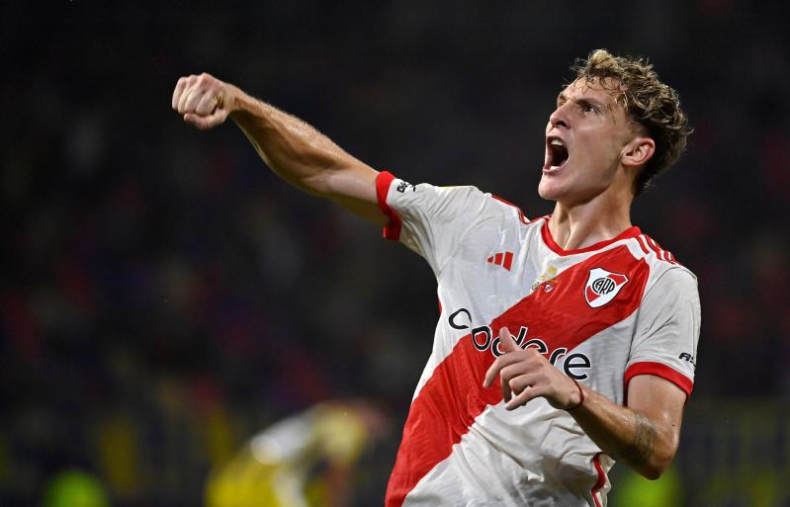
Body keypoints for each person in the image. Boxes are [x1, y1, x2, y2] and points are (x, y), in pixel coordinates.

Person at [172, 49, 700, 507]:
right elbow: (326, 169)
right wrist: (243, 105)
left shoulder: (659, 282)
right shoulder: (473, 221)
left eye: (588, 109)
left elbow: (657, 447)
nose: (558, 115)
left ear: (635, 151)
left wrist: (574, 394)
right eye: (561, 102)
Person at [204, 400, 389, 507]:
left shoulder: (325, 413)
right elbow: (338, 475)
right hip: (263, 481)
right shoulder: (349, 426)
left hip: (231, 477)